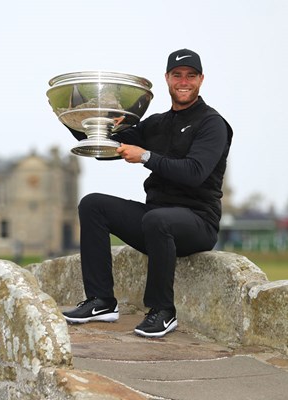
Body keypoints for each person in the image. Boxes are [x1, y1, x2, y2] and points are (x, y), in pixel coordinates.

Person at [62, 49, 233, 338]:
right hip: (155, 222)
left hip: (198, 223)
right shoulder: (156, 123)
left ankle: (162, 311)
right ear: (167, 78)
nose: (184, 81)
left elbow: (194, 173)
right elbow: (104, 144)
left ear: (201, 79)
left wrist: (145, 157)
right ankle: (102, 302)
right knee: (92, 205)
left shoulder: (212, 123)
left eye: (191, 76)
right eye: (177, 75)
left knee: (158, 220)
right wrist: (75, 114)